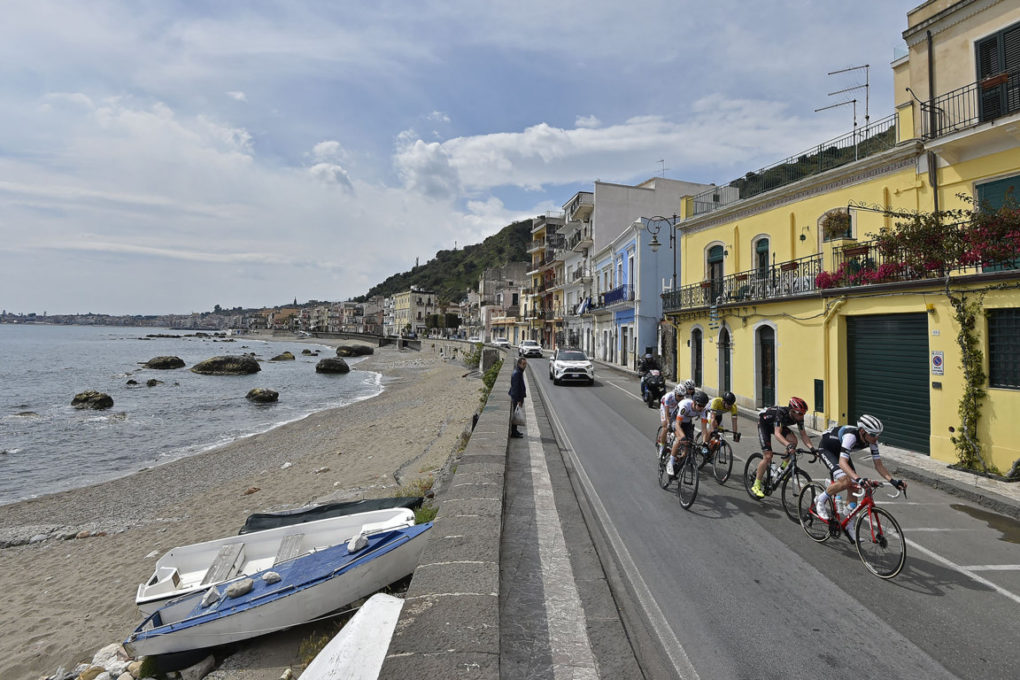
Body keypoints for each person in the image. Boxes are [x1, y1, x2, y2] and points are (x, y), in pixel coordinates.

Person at [813, 415, 906, 520]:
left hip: (841, 451)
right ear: (862, 431)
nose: (876, 438)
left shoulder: (872, 440)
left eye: (878, 434)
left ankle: (848, 523)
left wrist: (893, 481)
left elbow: (878, 465)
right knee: (846, 481)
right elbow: (842, 463)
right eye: (873, 434)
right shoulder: (851, 436)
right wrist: (859, 479)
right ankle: (820, 500)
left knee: (854, 487)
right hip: (827, 449)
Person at [750, 396, 815, 498]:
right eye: (800, 413)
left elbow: (803, 435)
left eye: (804, 413)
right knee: (768, 456)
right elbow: (777, 434)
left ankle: (781, 469)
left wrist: (812, 449)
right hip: (765, 425)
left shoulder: (798, 418)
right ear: (792, 411)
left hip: (777, 426)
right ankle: (756, 485)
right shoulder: (781, 413)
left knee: (794, 441)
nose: (802, 416)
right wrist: (788, 445)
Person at [667, 390, 709, 478]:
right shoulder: (685, 405)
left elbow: (704, 429)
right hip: (676, 420)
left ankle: (678, 465)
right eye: (700, 405)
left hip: (687, 423)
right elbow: (677, 424)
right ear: (694, 402)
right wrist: (682, 437)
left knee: (688, 447)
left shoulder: (703, 410)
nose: (701, 408)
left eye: (703, 406)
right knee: (680, 439)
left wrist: (705, 443)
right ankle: (670, 462)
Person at [508, 357, 527, 438]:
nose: (525, 366)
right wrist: (519, 400)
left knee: (516, 414)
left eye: (525, 364)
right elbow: (515, 388)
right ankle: (513, 433)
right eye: (523, 364)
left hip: (517, 397)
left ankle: (515, 431)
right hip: (516, 398)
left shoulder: (519, 371)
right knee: (515, 415)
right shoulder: (517, 373)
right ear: (519, 364)